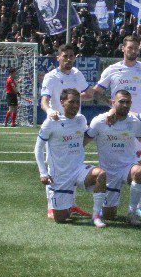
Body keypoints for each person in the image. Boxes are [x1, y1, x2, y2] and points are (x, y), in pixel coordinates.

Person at [35, 89, 107, 224]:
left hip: (79, 170)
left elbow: (87, 136)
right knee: (61, 219)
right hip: (60, 176)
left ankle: (96, 216)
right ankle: (64, 203)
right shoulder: (51, 122)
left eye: (77, 102)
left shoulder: (81, 119)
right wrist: (43, 172)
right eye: (71, 102)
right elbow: (38, 148)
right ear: (62, 102)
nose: (75, 105)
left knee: (101, 175)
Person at [86, 90, 141, 224]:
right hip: (108, 173)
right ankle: (104, 209)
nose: (125, 105)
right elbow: (84, 141)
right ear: (113, 103)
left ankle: (132, 212)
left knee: (140, 171)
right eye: (122, 102)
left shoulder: (135, 122)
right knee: (109, 216)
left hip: (127, 168)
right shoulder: (99, 121)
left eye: (128, 102)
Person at [84, 35, 141, 115]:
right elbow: (96, 91)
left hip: (138, 118)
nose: (133, 51)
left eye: (136, 48)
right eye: (130, 48)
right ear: (123, 48)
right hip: (117, 117)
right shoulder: (112, 69)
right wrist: (109, 102)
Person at [40, 43, 90, 118]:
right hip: (57, 121)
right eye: (65, 56)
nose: (69, 59)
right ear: (58, 58)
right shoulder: (51, 76)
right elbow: (44, 101)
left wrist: (107, 101)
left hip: (75, 121)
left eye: (71, 56)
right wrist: (50, 111)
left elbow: (89, 94)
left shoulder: (77, 73)